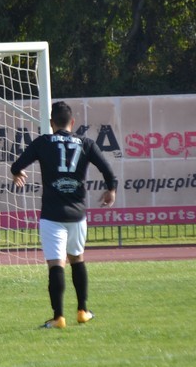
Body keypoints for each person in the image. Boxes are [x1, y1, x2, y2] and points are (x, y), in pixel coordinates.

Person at [10, 101, 117, 329]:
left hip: (52, 214)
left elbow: (17, 164)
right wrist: (111, 190)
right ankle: (83, 311)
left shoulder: (43, 142)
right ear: (73, 122)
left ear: (51, 123)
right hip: (77, 214)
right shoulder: (86, 143)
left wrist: (16, 172)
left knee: (56, 264)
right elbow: (107, 170)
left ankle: (58, 317)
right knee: (77, 258)